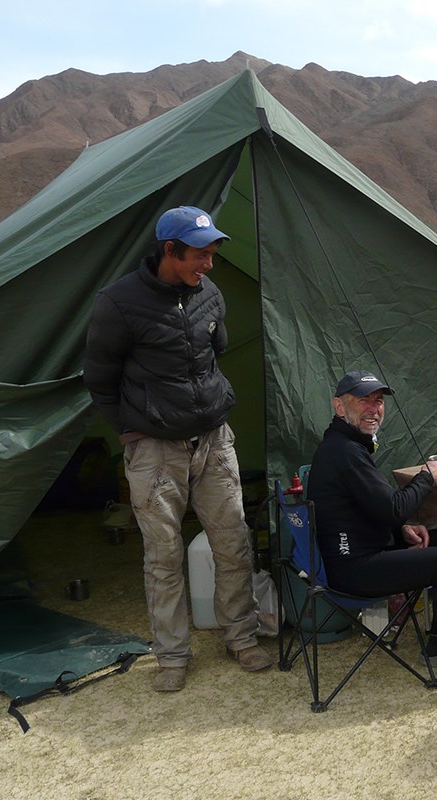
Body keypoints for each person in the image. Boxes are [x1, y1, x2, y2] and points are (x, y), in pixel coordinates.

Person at [84, 206, 272, 692]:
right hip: (155, 452)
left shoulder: (210, 293)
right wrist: (134, 429)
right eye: (200, 256)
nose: (208, 266)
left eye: (212, 255)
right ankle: (172, 656)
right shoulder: (119, 303)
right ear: (170, 250)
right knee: (163, 556)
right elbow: (99, 379)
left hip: (213, 440)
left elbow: (217, 350)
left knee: (233, 542)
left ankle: (242, 637)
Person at [305, 370, 437, 712]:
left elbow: (368, 507)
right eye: (363, 400)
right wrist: (427, 477)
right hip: (352, 569)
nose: (373, 408)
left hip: (362, 551)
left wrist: (401, 529)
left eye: (378, 401)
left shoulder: (348, 445)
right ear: (339, 406)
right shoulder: (343, 451)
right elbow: (394, 505)